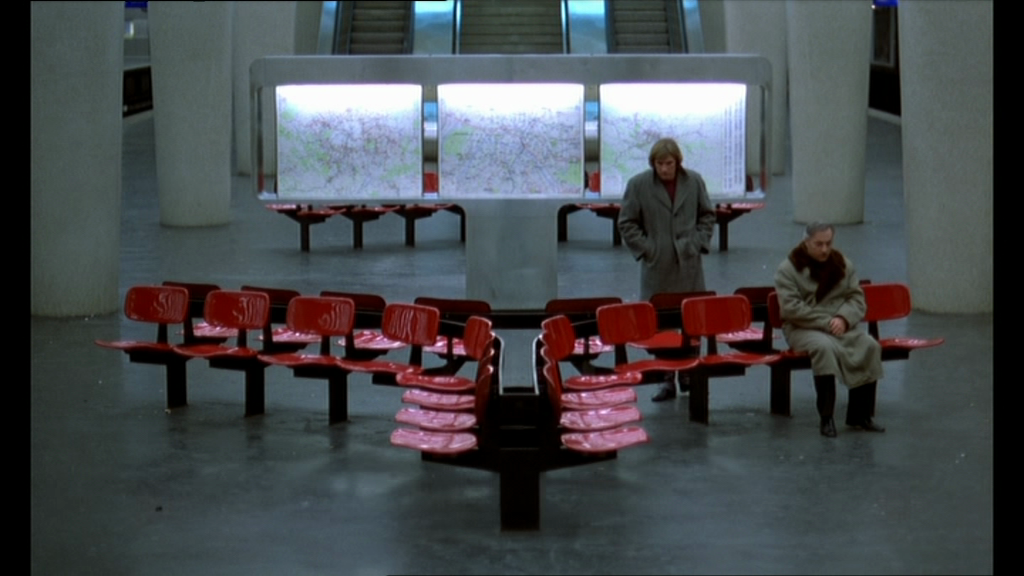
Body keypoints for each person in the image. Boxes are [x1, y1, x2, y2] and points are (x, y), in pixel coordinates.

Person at [617, 137, 716, 402]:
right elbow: (626, 222)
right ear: (653, 164)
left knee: (691, 320)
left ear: (677, 162)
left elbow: (707, 215)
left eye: (669, 163)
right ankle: (666, 379)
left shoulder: (694, 182)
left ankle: (689, 373)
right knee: (660, 323)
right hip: (657, 266)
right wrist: (649, 248)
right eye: (659, 164)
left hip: (688, 264)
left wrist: (696, 243)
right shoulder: (638, 185)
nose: (664, 169)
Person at [774, 222, 886, 437]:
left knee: (869, 345)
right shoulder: (788, 269)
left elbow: (856, 298)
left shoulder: (842, 264)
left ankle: (860, 415)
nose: (825, 249)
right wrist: (827, 322)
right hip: (802, 328)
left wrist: (844, 318)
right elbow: (791, 309)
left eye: (828, 243)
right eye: (819, 244)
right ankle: (826, 418)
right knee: (823, 348)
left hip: (839, 324)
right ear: (806, 242)